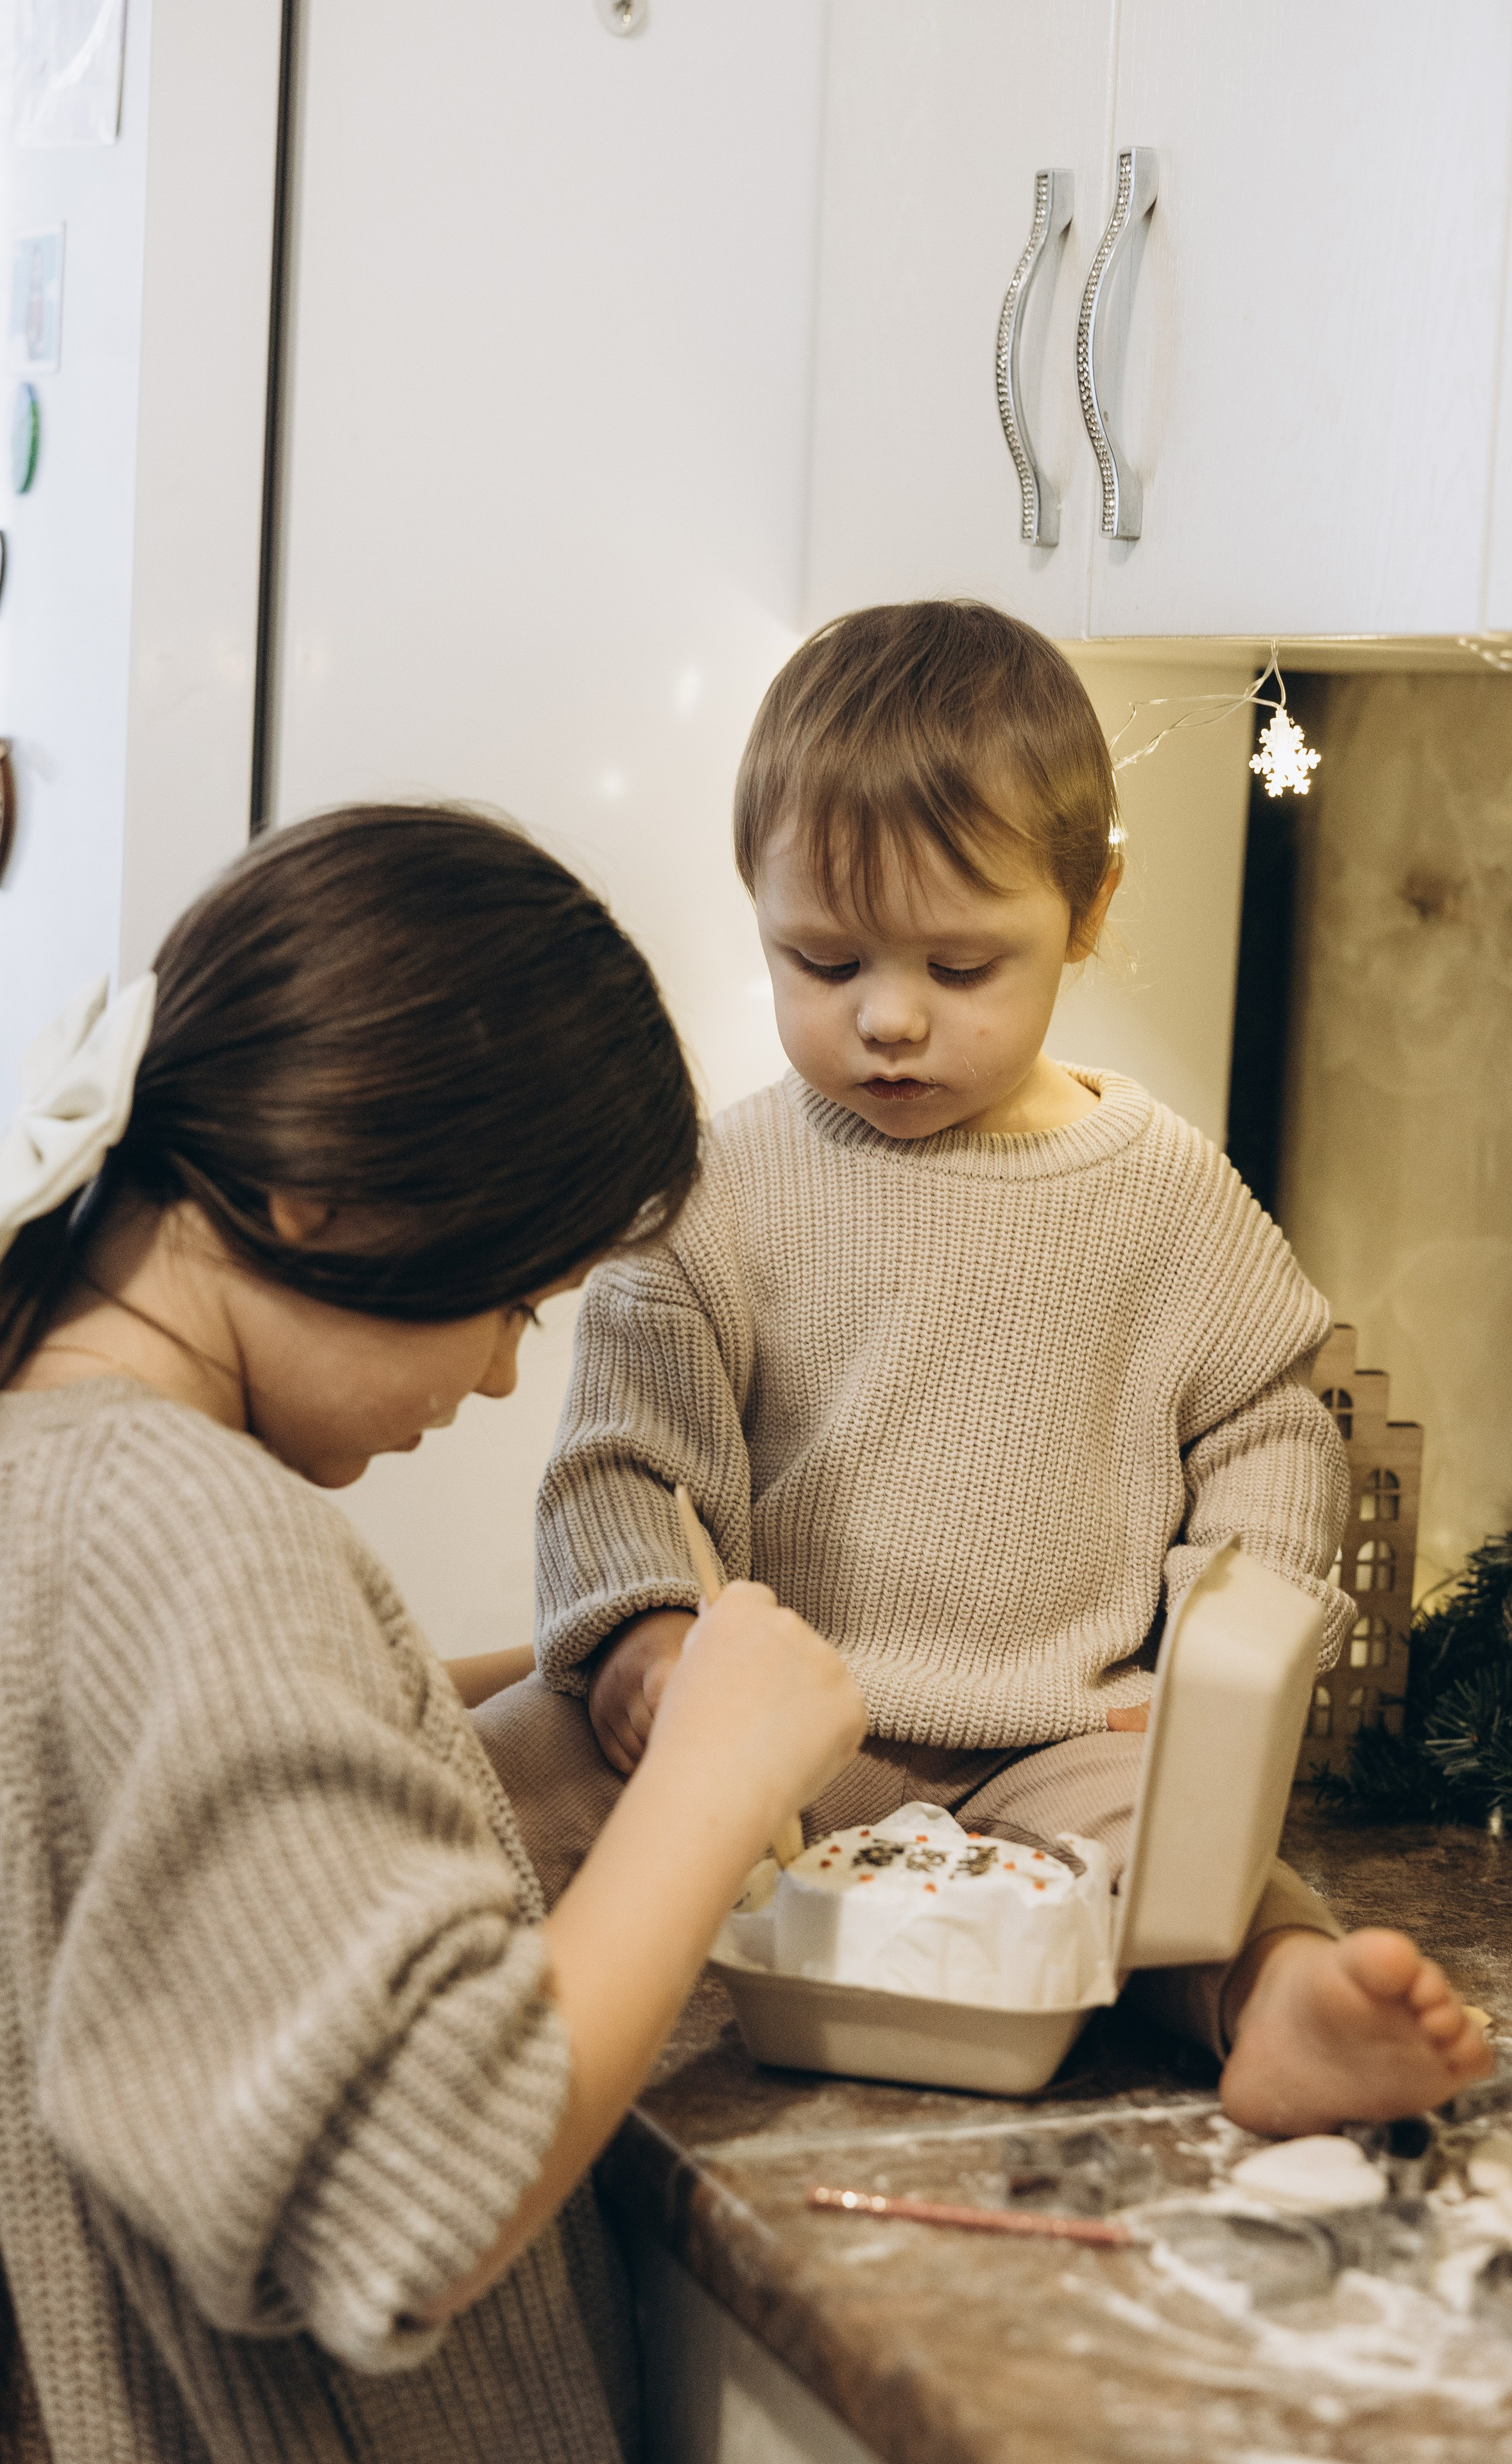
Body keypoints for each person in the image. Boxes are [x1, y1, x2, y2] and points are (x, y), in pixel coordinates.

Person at [475, 603, 1492, 2136]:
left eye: (960, 964)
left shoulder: (1160, 1189)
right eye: (821, 960)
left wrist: (1209, 1665)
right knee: (480, 1791)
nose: (886, 1017)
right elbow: (625, 1460)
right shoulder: (716, 1191)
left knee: (1195, 1863)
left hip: (1056, 1747)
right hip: (765, 1746)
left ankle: (1279, 2004)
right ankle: (387, 2019)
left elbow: (1272, 1422)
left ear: (1086, 913)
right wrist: (644, 1645)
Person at [0, 805, 866, 2464]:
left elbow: (172, 1840)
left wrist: (524, 1684)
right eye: (511, 1304)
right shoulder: (194, 1526)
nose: (489, 1379)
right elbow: (422, 2190)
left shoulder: (58, 1462)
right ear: (315, 1194)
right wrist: (717, 1772)